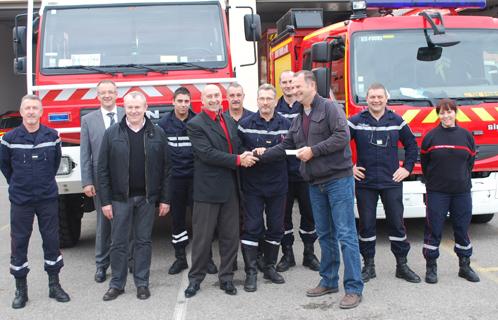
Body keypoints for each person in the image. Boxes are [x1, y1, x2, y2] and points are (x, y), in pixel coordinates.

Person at [256, 70, 363, 309]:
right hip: (315, 183)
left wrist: (313, 150)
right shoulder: (298, 116)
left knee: (345, 235)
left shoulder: (329, 108)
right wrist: (260, 155)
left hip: (338, 180)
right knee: (324, 234)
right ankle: (329, 280)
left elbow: (342, 136)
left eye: (297, 86)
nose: (293, 90)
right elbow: (287, 145)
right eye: (291, 86)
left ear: (311, 85)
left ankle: (354, 288)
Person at [184, 84, 258, 298]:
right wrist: (238, 160)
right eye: (210, 96)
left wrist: (249, 153)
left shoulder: (226, 120)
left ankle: (226, 278)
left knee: (230, 237)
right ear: (202, 100)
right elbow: (207, 154)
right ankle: (195, 279)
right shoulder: (195, 124)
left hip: (230, 190)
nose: (214, 99)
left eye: (217, 95)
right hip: (207, 191)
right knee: (202, 239)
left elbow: (234, 147)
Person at [98, 91, 171, 301]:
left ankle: (142, 283)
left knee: (143, 242)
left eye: (138, 107)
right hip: (120, 199)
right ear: (124, 108)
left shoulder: (157, 133)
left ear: (145, 107)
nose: (134, 111)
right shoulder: (112, 133)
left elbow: (167, 169)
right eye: (130, 107)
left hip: (147, 199)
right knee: (118, 243)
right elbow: (102, 170)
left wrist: (165, 199)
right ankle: (117, 285)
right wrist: (105, 201)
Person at [0, 94, 70, 309]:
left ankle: (54, 285)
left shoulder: (52, 136)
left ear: (41, 112)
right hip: (22, 200)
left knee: (51, 240)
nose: (31, 112)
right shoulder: (9, 139)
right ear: (21, 112)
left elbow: (55, 162)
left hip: (47, 198)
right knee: (19, 242)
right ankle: (21, 290)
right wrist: (18, 185)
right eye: (27, 108)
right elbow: (5, 166)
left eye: (35, 108)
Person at [348, 83, 420, 283]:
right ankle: (368, 266)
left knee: (397, 224)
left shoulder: (396, 121)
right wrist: (349, 167)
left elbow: (412, 146)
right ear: (367, 99)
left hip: (391, 182)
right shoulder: (355, 121)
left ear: (386, 99)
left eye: (380, 97)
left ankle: (402, 265)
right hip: (366, 183)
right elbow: (339, 144)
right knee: (367, 226)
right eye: (372, 97)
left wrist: (406, 168)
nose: (376, 100)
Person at [158, 87, 217, 275]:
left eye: (186, 101)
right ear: (173, 102)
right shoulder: (163, 124)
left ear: (191, 103)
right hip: (174, 178)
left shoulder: (198, 121)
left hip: (196, 177)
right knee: (177, 220)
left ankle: (206, 258)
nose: (183, 105)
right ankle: (180, 258)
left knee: (201, 220)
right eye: (180, 101)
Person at [420, 98, 480, 284]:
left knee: (462, 229)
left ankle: (464, 266)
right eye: (442, 112)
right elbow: (425, 164)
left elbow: (470, 162)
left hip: (461, 192)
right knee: (434, 229)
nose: (446, 115)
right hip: (437, 192)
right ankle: (431, 267)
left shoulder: (466, 136)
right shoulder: (430, 136)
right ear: (438, 115)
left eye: (449, 111)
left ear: (455, 112)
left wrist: (460, 177)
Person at [237, 84, 290, 292]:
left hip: (278, 186)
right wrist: (249, 152)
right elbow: (238, 148)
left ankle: (269, 266)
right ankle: (251, 272)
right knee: (252, 228)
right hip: (253, 186)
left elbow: (289, 147)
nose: (265, 103)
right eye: (262, 99)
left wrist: (266, 151)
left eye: (269, 99)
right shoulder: (245, 124)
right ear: (256, 100)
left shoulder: (286, 124)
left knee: (276, 227)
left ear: (275, 101)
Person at [275, 70, 320, 272]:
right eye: (284, 82)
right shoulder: (275, 108)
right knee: (284, 216)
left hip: (305, 171)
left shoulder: (306, 107)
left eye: (291, 82)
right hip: (283, 172)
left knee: (309, 214)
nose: (288, 86)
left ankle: (309, 254)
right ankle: (287, 254)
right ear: (280, 85)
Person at [80, 80, 125, 283]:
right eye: (102, 92)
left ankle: (128, 260)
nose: (107, 95)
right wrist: (87, 181)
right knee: (103, 223)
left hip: (127, 179)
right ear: (97, 96)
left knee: (127, 221)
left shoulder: (128, 113)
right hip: (101, 180)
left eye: (110, 92)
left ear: (117, 94)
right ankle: (101, 265)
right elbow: (85, 153)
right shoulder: (88, 120)